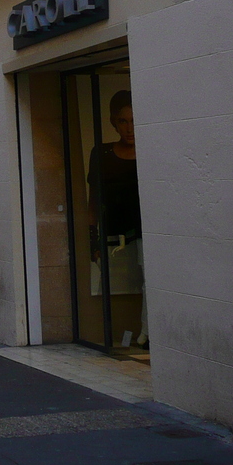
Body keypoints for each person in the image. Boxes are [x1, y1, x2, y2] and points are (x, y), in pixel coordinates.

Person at [88, 89, 146, 347]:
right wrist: (93, 240)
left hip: (143, 232)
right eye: (124, 121)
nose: (130, 128)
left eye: (134, 120)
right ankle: (106, 336)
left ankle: (145, 333)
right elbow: (93, 199)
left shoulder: (148, 151)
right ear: (114, 122)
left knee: (148, 283)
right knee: (107, 286)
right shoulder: (102, 153)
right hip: (113, 237)